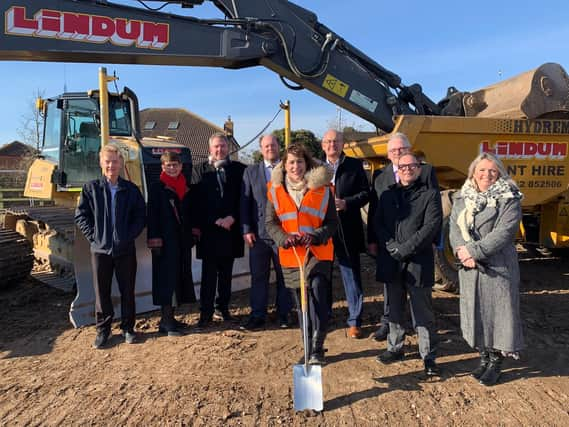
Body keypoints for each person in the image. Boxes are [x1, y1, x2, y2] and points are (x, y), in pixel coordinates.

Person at [449, 152, 524, 386]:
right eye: (482, 170)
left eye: (492, 171)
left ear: (500, 173)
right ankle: (483, 357)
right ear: (473, 173)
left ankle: (496, 363)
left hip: (497, 267)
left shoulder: (509, 198)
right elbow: (454, 228)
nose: (486, 175)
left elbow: (503, 233)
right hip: (470, 269)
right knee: (477, 314)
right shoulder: (462, 197)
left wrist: (473, 252)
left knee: (498, 315)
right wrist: (461, 251)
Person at [265, 143, 338, 365]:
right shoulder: (275, 190)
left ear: (306, 163)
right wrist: (283, 238)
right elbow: (270, 222)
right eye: (291, 162)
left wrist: (316, 235)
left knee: (317, 294)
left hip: (318, 252)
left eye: (299, 161)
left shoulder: (323, 189)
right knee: (301, 303)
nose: (295, 166)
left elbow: (332, 223)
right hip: (291, 255)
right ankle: (307, 346)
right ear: (284, 166)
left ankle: (317, 348)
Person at [373, 152, 442, 377]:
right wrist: (392, 246)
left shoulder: (430, 195)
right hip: (392, 260)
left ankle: (429, 356)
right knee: (394, 307)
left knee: (422, 312)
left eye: (412, 165)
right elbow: (379, 224)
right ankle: (395, 348)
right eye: (402, 166)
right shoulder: (387, 195)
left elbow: (430, 227)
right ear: (397, 169)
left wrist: (405, 249)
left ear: (419, 168)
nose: (407, 169)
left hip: (418, 261)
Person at [368, 132, 439, 341]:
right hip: (389, 245)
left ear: (410, 151)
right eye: (393, 150)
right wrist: (375, 240)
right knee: (391, 291)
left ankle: (425, 343)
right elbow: (375, 211)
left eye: (402, 149)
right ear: (388, 155)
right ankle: (388, 324)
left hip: (417, 248)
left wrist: (435, 241)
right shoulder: (380, 176)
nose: (398, 153)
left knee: (419, 294)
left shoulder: (426, 172)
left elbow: (434, 215)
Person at [75, 144, 146, 348]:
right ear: (101, 163)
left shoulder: (131, 189)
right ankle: (103, 330)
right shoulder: (91, 188)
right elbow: (81, 215)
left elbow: (140, 215)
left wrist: (129, 235)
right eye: (107, 161)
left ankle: (128, 329)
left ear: (121, 163)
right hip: (100, 251)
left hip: (125, 250)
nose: (111, 165)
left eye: (115, 161)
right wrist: (95, 237)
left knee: (127, 291)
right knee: (102, 293)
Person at [192, 132, 246, 328]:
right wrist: (215, 220)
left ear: (228, 148)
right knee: (208, 276)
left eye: (223, 146)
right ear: (210, 149)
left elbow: (244, 198)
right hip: (209, 232)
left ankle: (222, 308)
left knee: (226, 275)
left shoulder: (240, 170)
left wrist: (233, 218)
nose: (220, 149)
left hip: (230, 231)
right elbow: (196, 201)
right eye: (216, 146)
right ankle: (205, 313)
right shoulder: (199, 170)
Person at [240, 134, 293, 330]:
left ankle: (285, 314)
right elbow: (245, 202)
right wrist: (246, 229)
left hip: (284, 233)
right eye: (266, 146)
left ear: (279, 147)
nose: (270, 148)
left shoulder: (290, 169)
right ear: (261, 149)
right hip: (259, 235)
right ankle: (258, 315)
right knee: (259, 277)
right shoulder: (251, 171)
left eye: (273, 145)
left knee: (284, 275)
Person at [321, 129, 369, 339]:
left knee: (351, 275)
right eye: (329, 142)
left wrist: (347, 203)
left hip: (347, 228)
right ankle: (325, 316)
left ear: (342, 144)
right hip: (323, 231)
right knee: (323, 276)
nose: (332, 145)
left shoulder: (354, 165)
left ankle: (355, 320)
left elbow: (366, 193)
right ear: (323, 145)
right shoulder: (316, 168)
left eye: (336, 141)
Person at [147, 151, 196, 337]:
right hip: (165, 242)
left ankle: (171, 318)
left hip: (181, 241)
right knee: (166, 281)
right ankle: (166, 321)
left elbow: (189, 214)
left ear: (181, 166)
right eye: (168, 165)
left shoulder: (185, 186)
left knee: (178, 278)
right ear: (163, 167)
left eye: (175, 165)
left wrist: (193, 233)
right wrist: (155, 241)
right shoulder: (157, 188)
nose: (172, 168)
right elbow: (152, 216)